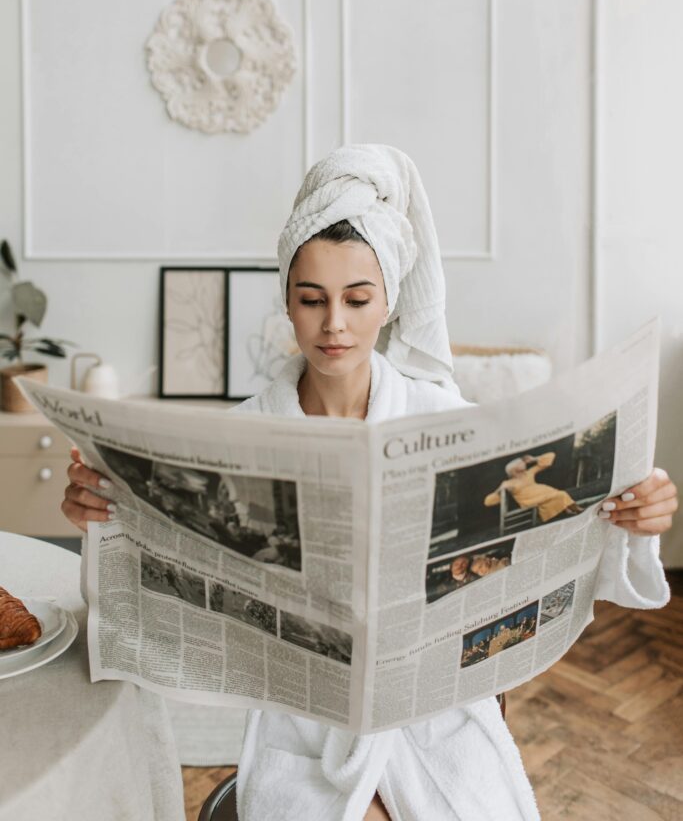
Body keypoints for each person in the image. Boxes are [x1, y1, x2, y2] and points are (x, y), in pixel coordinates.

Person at [61, 144, 678, 820]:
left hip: (436, 715)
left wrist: (632, 510)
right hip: (304, 722)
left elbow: (560, 525)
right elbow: (164, 566)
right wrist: (103, 512)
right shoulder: (238, 435)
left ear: (386, 302)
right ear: (287, 305)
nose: (333, 324)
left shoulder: (449, 420)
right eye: (310, 299)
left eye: (357, 299)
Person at [484, 451, 584, 524]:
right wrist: (498, 491)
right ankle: (577, 509)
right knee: (561, 494)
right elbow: (488, 502)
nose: (525, 463)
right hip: (528, 500)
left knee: (556, 494)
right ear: (513, 469)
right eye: (521, 463)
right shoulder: (507, 483)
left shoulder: (529, 473)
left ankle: (568, 509)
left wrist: (535, 459)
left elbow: (551, 456)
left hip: (542, 493)